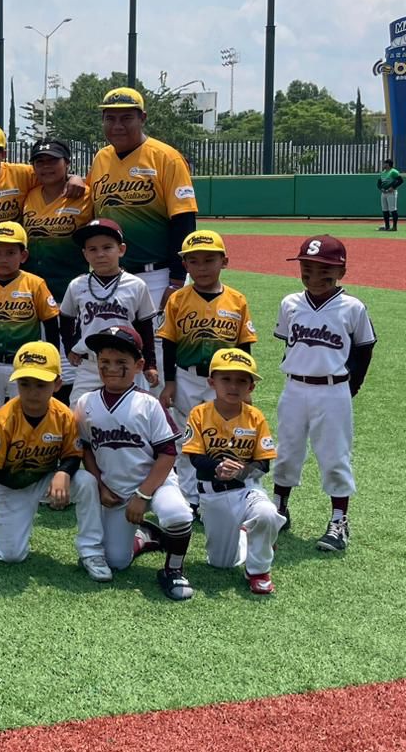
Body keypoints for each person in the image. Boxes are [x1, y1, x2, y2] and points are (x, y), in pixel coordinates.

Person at [0, 342, 110, 582]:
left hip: (44, 479)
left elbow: (72, 454)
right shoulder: (4, 418)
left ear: (57, 384)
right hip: (11, 486)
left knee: (85, 481)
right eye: (25, 384)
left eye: (41, 384)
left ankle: (92, 552)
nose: (33, 392)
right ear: (16, 383)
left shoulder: (64, 414)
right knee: (10, 556)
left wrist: (64, 472)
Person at [75, 325, 195, 601]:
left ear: (139, 365)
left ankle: (173, 570)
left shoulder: (149, 403)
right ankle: (146, 536)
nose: (112, 368)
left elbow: (167, 452)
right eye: (105, 362)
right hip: (115, 489)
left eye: (121, 362)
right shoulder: (85, 402)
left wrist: (143, 495)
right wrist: (100, 484)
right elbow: (85, 448)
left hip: (155, 482)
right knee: (117, 561)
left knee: (177, 514)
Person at [271, 235, 376, 551]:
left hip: (333, 391)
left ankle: (339, 521)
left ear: (341, 272)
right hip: (294, 387)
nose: (315, 279)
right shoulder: (290, 303)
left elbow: (364, 349)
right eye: (307, 271)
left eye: (325, 273)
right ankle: (279, 509)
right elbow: (288, 345)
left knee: (334, 456)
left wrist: (351, 386)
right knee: (286, 450)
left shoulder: (352, 307)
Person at [156, 230, 256, 510]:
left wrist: (244, 388)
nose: (201, 268)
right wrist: (170, 382)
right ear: (185, 265)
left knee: (222, 434)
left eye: (209, 260)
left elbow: (244, 346)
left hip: (225, 381)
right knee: (187, 437)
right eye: (194, 261)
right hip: (187, 376)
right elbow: (169, 342)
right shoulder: (177, 299)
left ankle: (218, 491)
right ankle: (189, 497)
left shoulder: (237, 300)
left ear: (224, 262)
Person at [182, 348, 285, 595]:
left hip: (246, 490)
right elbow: (195, 458)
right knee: (222, 563)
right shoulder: (199, 414)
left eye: (241, 380)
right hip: (212, 494)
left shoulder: (255, 417)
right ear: (212, 382)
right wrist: (218, 467)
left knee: (268, 513)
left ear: (251, 387)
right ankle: (245, 532)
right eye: (225, 379)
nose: (233, 386)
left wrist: (240, 472)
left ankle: (258, 570)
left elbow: (263, 463)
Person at [87, 87, 198, 310]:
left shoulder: (166, 158)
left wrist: (176, 280)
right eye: (110, 118)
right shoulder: (101, 157)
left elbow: (184, 220)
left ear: (143, 118)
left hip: (158, 274)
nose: (117, 126)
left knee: (156, 344)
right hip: (111, 273)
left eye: (127, 118)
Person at [0, 222, 60, 414]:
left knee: (22, 413)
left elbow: (51, 326)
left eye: (10, 253)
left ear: (23, 256)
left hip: (25, 363)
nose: (3, 258)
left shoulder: (35, 284)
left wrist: (51, 363)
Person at [59, 219, 159, 406]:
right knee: (78, 413)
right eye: (93, 249)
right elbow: (66, 319)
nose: (100, 254)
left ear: (121, 249)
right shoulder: (77, 285)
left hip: (125, 364)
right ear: (85, 254)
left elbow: (145, 327)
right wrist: (70, 347)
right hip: (90, 363)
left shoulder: (136, 285)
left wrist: (150, 364)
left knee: (129, 413)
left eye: (107, 247)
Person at [21, 139, 92, 303]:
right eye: (40, 162)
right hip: (31, 290)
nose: (46, 166)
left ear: (66, 163)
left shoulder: (86, 195)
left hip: (71, 287)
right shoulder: (30, 195)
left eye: (53, 160)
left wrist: (76, 178)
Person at [377, 158, 402, 231]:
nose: (383, 165)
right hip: (384, 193)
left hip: (391, 193)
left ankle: (394, 227)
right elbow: (379, 183)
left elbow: (400, 180)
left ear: (388, 164)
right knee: (385, 210)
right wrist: (380, 188)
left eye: (384, 163)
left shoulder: (393, 171)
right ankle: (387, 226)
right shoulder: (383, 172)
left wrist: (393, 187)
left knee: (393, 209)